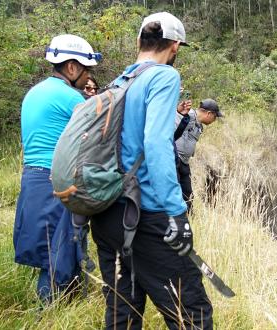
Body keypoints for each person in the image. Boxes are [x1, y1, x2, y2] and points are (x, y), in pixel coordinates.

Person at [89, 12, 213, 329]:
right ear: (174, 46)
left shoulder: (120, 81)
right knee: (192, 311)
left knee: (123, 312)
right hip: (146, 216)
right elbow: (156, 143)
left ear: (138, 42)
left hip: (107, 214)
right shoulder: (163, 77)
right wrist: (176, 213)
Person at [13, 34, 100, 303]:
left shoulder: (36, 92)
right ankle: (48, 316)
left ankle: (66, 308)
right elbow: (101, 132)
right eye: (86, 71)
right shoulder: (68, 96)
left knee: (49, 250)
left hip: (33, 179)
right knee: (60, 254)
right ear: (72, 67)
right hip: (57, 181)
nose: (88, 77)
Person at [174, 98, 223, 212]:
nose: (214, 120)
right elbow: (173, 127)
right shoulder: (189, 116)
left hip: (184, 163)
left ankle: (188, 220)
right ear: (209, 113)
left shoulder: (198, 124)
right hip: (175, 160)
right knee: (175, 193)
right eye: (215, 117)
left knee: (188, 195)